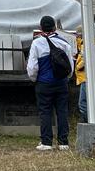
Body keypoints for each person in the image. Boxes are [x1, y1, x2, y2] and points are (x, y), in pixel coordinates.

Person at [26, 15, 75, 150]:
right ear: (54, 27)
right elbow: (70, 67)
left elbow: (32, 67)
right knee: (62, 111)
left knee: (45, 112)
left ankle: (46, 142)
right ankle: (63, 142)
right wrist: (66, 78)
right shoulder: (64, 43)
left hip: (44, 83)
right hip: (61, 83)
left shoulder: (37, 43)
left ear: (41, 28)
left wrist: (34, 79)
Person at [74, 30, 95, 119]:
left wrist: (77, 67)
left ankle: (87, 121)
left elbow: (84, 59)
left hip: (86, 77)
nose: (76, 37)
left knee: (83, 103)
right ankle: (93, 120)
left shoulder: (86, 44)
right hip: (94, 76)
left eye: (77, 35)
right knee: (92, 101)